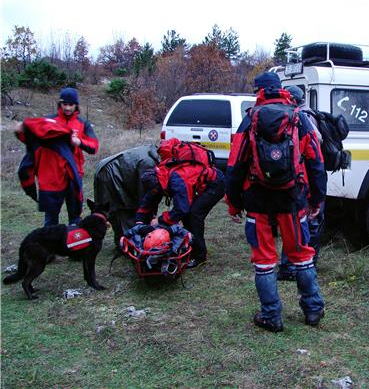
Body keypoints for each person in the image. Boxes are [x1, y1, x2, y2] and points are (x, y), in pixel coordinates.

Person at [226, 72, 327, 332]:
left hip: (258, 201)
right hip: (292, 200)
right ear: (279, 89)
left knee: (264, 259)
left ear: (259, 90)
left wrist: (234, 203)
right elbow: (316, 163)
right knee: (302, 255)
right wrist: (317, 199)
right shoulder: (299, 118)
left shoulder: (249, 119)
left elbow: (235, 166)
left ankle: (272, 315)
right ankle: (313, 310)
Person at [135, 138, 225, 268]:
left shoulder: (176, 180)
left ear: (158, 184)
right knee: (188, 215)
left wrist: (160, 221)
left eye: (155, 189)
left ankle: (200, 256)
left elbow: (181, 209)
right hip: (201, 183)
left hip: (215, 184)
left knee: (194, 215)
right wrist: (139, 220)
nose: (154, 192)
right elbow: (149, 200)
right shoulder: (158, 177)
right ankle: (190, 246)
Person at [16, 87, 99, 226]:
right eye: (64, 104)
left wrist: (79, 142)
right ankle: (50, 246)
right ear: (59, 104)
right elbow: (31, 140)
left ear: (76, 105)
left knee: (75, 217)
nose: (67, 108)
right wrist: (20, 131)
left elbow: (94, 147)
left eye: (70, 104)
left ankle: (73, 245)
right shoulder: (48, 121)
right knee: (51, 219)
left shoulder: (83, 123)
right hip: (51, 177)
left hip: (73, 175)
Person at [277, 85, 326, 281]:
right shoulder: (303, 116)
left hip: (293, 178)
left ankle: (291, 266)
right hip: (303, 179)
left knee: (295, 223)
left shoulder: (300, 117)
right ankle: (305, 265)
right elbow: (316, 150)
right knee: (306, 223)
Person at [94, 144, 160, 245]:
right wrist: (151, 215)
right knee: (119, 210)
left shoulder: (153, 153)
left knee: (128, 210)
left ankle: (128, 240)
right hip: (110, 173)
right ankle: (126, 243)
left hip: (115, 170)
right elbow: (145, 193)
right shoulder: (149, 164)